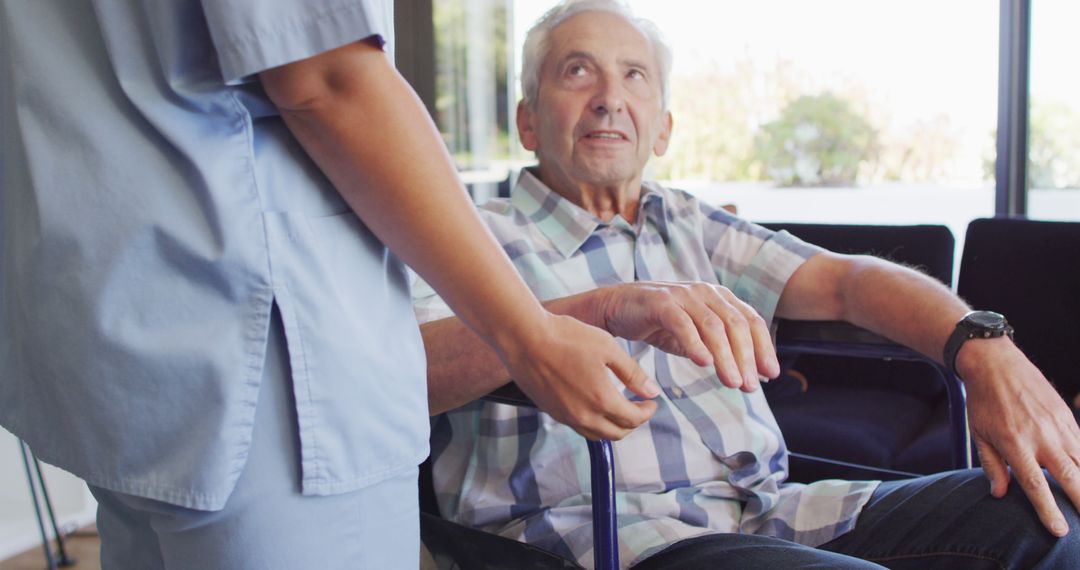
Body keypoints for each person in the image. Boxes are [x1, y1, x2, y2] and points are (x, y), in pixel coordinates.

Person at [412, 0, 1080, 567]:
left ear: (663, 129)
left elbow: (850, 283)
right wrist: (603, 309)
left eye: (634, 75)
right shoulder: (470, 237)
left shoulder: (690, 224)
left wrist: (981, 346)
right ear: (528, 120)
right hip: (605, 534)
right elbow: (404, 372)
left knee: (1044, 520)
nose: (610, 97)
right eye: (577, 70)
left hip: (767, 512)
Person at [0, 1, 660, 568]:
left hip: (126, 324)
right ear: (527, 118)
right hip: (266, 366)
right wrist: (531, 335)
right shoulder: (504, 227)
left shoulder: (688, 224)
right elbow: (327, 77)